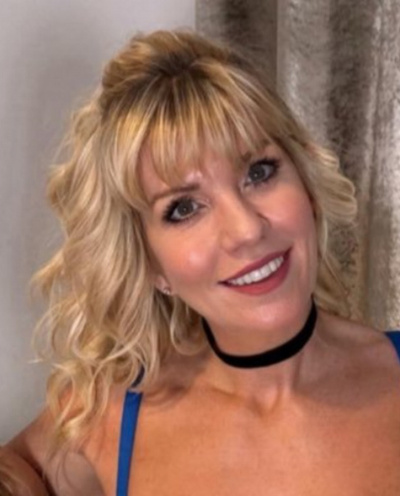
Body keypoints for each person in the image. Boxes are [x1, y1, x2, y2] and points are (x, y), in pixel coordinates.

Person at [4, 29, 400, 495]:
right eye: (184, 208)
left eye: (259, 172)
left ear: (307, 188)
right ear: (151, 265)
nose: (246, 229)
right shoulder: (107, 415)